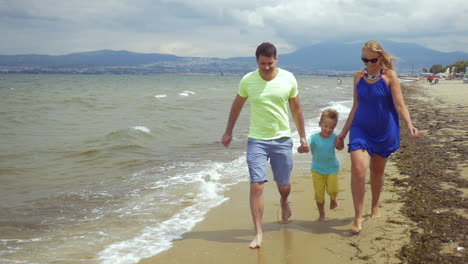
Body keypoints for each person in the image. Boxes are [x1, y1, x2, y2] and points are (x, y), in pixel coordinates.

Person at [221, 42, 309, 248]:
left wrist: (303, 137)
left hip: (282, 139)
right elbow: (236, 107)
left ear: (276, 59)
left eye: (269, 63)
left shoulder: (288, 78)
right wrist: (228, 131)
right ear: (256, 61)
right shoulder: (248, 80)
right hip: (257, 140)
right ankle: (258, 233)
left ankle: (284, 201)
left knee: (283, 185)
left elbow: (297, 110)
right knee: (257, 184)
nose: (266, 67)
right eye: (262, 64)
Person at [337, 40, 419, 234]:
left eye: (372, 60)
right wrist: (342, 133)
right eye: (364, 59)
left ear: (380, 58)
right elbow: (356, 105)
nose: (368, 63)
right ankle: (358, 217)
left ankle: (374, 205)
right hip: (361, 129)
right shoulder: (358, 77)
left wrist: (409, 124)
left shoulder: (389, 76)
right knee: (358, 168)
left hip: (384, 130)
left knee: (377, 172)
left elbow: (400, 105)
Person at [298, 109, 344, 223]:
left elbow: (340, 147)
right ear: (320, 124)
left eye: (331, 127)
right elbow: (302, 149)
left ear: (334, 128)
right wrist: (302, 148)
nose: (328, 130)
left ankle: (333, 199)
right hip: (317, 170)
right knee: (319, 195)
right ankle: (321, 214)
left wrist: (340, 142)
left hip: (332, 169)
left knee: (333, 189)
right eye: (325, 126)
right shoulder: (314, 138)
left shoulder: (334, 137)